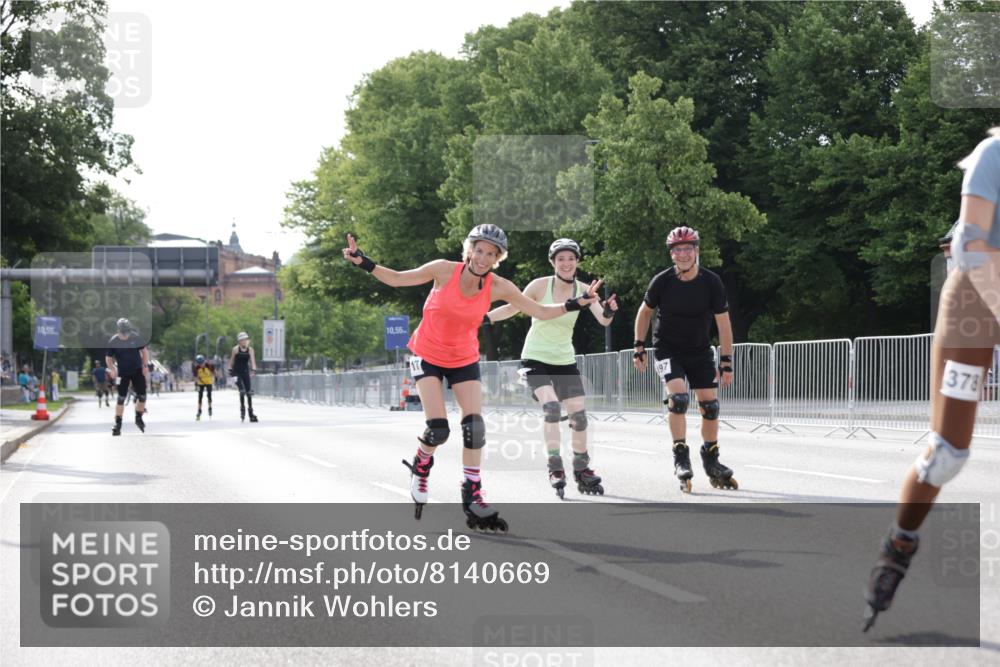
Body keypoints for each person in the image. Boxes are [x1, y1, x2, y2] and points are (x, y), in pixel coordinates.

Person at [343, 226, 600, 531]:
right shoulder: (443, 270)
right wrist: (364, 262)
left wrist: (577, 303)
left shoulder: (498, 286)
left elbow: (539, 311)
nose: (483, 258)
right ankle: (422, 464)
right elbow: (399, 278)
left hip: (464, 358)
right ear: (469, 250)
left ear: (497, 258)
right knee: (438, 430)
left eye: (491, 254)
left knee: (474, 428)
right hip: (426, 354)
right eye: (479, 250)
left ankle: (473, 494)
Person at [863, 127, 1000, 632]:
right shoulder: (994, 153)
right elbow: (970, 243)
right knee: (948, 454)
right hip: (975, 306)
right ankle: (899, 543)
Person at [485, 238, 618, 498]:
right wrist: (486, 317)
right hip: (535, 358)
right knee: (552, 408)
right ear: (553, 262)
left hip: (564, 360)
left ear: (577, 262)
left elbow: (602, 320)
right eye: (561, 259)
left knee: (579, 417)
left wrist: (610, 310)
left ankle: (582, 468)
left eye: (571, 259)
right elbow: (514, 307)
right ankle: (555, 465)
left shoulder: (584, 290)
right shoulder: (539, 285)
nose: (566, 263)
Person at [633, 225, 736, 493]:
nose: (683, 254)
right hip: (668, 349)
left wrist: (726, 361)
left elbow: (724, 324)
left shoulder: (711, 282)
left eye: (688, 249)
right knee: (678, 399)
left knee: (710, 406)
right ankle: (680, 456)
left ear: (697, 251)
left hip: (700, 350)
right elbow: (644, 313)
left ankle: (711, 459)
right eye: (678, 250)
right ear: (672, 255)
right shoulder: (662, 281)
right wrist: (639, 347)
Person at [105, 317, 150, 436]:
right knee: (121, 398)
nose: (126, 335)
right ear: (119, 330)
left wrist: (145, 366)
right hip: (122, 373)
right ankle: (118, 424)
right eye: (123, 332)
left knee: (142, 396)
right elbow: (108, 357)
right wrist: (112, 369)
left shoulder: (135, 337)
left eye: (127, 332)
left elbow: (144, 351)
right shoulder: (114, 341)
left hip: (137, 371)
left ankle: (138, 417)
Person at [228, 332, 258, 422]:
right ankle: (242, 409)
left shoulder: (250, 350)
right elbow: (231, 361)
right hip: (236, 372)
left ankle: (251, 412)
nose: (244, 342)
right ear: (239, 342)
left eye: (245, 340)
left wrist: (253, 370)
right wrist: (230, 371)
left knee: (249, 393)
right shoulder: (235, 350)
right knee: (242, 391)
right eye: (242, 340)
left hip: (245, 372)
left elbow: (253, 361)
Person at [193, 354, 215, 420]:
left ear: (204, 361)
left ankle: (210, 407)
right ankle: (199, 410)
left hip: (208, 382)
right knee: (200, 396)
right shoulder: (196, 368)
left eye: (202, 363)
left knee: (209, 395)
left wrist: (213, 377)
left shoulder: (209, 366)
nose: (201, 364)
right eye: (199, 363)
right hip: (201, 383)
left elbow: (214, 373)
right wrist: (197, 381)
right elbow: (195, 377)